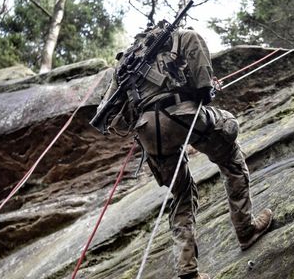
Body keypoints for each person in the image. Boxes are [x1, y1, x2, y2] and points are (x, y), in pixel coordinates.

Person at [98, 24, 273, 279]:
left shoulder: (125, 65)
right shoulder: (176, 36)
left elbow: (109, 115)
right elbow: (200, 72)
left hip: (148, 131)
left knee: (181, 194)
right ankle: (245, 230)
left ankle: (188, 272)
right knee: (230, 158)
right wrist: (205, 89)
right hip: (181, 113)